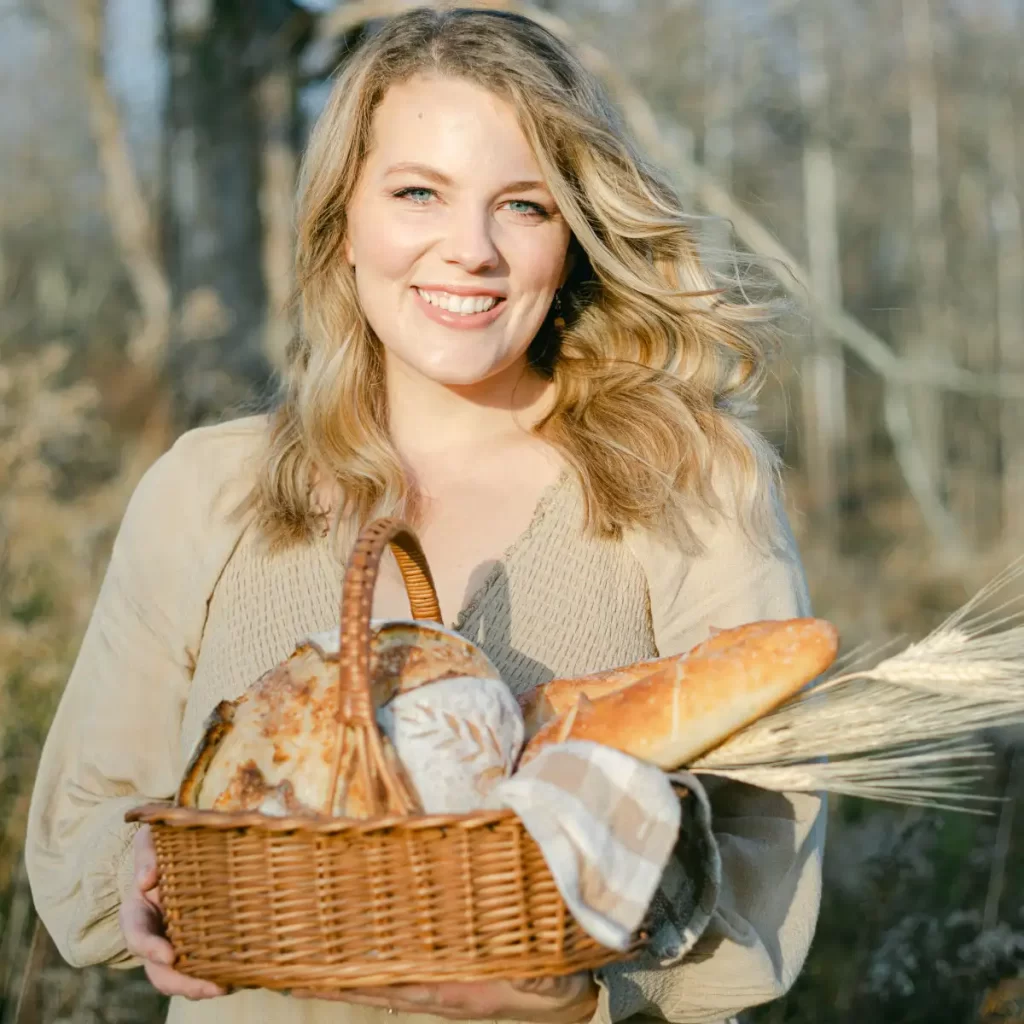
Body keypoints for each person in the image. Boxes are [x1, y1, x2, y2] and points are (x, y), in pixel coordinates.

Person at [26, 7, 824, 1024]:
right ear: (343, 221)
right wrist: (144, 865)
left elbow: (767, 879)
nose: (471, 251)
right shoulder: (206, 490)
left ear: (574, 233)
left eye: (524, 206)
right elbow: (78, 849)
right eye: (417, 194)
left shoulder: (688, 480)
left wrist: (574, 982)